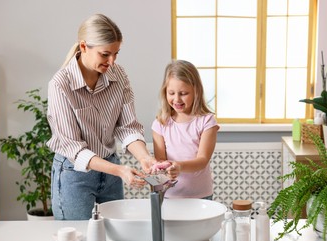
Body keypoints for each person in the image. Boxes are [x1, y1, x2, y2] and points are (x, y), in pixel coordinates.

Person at [47, 14, 155, 220]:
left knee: (115, 236)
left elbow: (128, 127)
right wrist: (120, 171)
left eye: (116, 53)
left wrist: (145, 158)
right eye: (105, 54)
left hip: (111, 170)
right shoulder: (60, 85)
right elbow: (74, 150)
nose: (112, 61)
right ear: (84, 46)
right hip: (74, 174)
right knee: (79, 239)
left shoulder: (119, 75)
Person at [151, 60, 219, 200]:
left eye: (183, 93)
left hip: (201, 195)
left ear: (196, 91)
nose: (177, 99)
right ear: (165, 92)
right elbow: (161, 160)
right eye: (171, 93)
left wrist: (179, 166)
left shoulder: (206, 121)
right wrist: (162, 168)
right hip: (169, 195)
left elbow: (202, 160)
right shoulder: (160, 124)